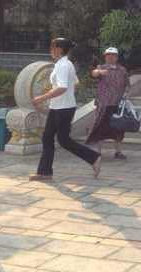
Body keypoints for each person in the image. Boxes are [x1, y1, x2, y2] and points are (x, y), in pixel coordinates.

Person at [30, 38, 102, 181]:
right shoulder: (64, 64)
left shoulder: (63, 65)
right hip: (58, 107)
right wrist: (62, 94)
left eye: (52, 47)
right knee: (47, 137)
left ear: (59, 49)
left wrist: (42, 98)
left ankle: (94, 158)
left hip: (64, 109)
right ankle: (45, 172)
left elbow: (62, 87)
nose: (50, 50)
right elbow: (75, 83)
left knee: (63, 140)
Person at [86, 47, 130, 159]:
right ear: (105, 57)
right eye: (108, 55)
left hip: (118, 104)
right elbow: (93, 74)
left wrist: (126, 93)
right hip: (104, 104)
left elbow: (127, 85)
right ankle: (98, 152)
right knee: (100, 127)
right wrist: (98, 71)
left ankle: (118, 152)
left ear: (117, 57)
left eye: (112, 55)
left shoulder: (122, 70)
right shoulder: (101, 68)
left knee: (119, 129)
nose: (110, 57)